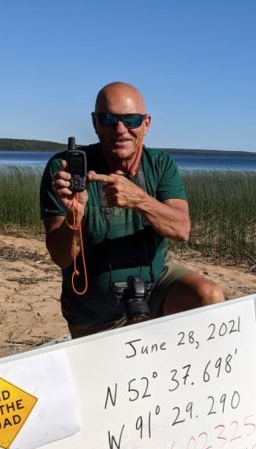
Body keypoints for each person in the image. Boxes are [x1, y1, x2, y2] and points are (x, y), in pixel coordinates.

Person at [40, 81, 224, 338]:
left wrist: (138, 199)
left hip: (155, 284)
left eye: (131, 120)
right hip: (94, 313)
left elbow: (182, 229)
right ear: (95, 123)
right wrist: (74, 216)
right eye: (108, 119)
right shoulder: (66, 171)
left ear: (146, 124)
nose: (120, 129)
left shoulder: (159, 164)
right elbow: (60, 257)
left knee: (210, 296)